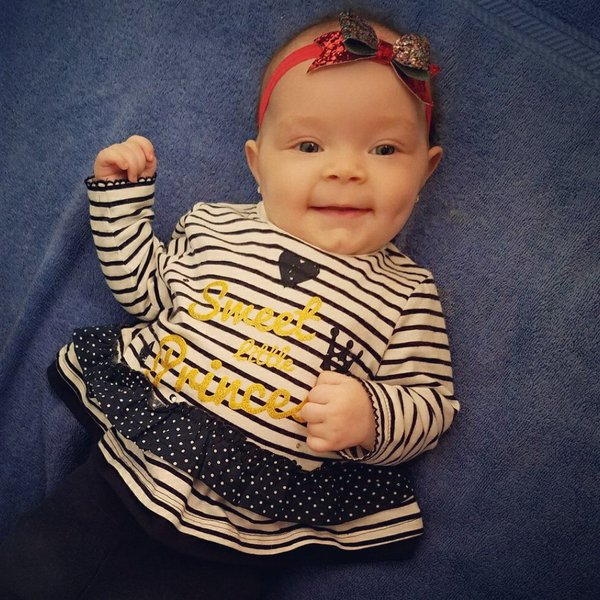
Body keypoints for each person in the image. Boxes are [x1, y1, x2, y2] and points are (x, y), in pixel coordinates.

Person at [0, 10, 459, 599]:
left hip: (246, 532)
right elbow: (144, 291)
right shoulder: (215, 228)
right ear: (257, 163)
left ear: (426, 169)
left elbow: (431, 404)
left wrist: (371, 415)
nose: (345, 170)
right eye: (309, 144)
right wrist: (120, 200)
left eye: (385, 148)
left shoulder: (406, 294)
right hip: (126, 474)